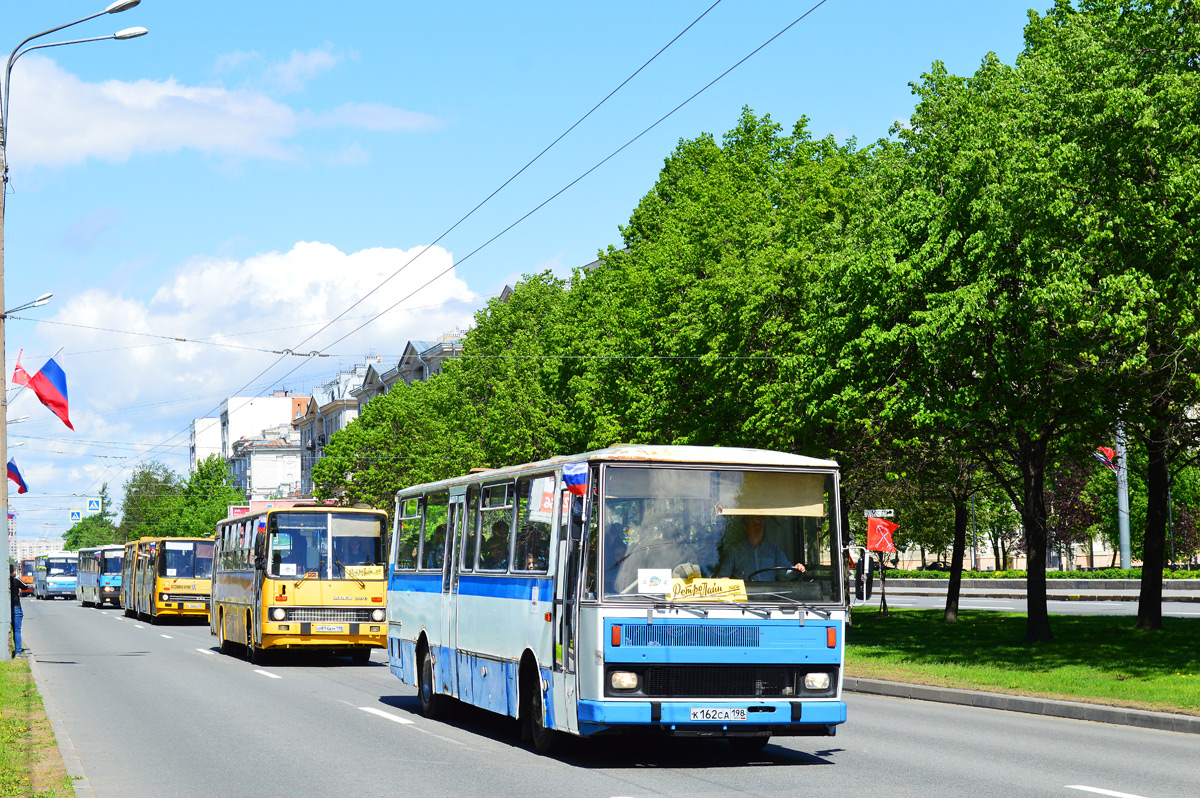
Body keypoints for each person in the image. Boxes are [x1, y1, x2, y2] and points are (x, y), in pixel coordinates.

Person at [717, 515, 805, 581]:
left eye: (760, 524)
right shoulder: (735, 551)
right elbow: (723, 577)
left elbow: (787, 569)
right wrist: (726, 582)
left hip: (771, 598)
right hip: (745, 599)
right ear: (745, 527)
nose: (758, 527)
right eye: (754, 524)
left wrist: (796, 569)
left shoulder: (774, 550)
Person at [9, 563, 25, 657]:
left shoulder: (4, 580)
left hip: (6, 608)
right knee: (17, 630)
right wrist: (15, 576)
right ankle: (18, 651)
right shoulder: (15, 580)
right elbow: (25, 586)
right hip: (15, 607)